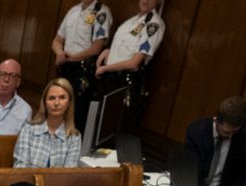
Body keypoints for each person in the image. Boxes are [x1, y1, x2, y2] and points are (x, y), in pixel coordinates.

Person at [93, 0, 165, 132]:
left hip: (126, 85)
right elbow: (124, 48)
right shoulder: (132, 21)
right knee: (99, 127)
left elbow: (134, 62)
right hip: (111, 81)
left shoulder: (153, 24)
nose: (145, 1)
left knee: (114, 130)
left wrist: (105, 68)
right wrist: (108, 50)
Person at [185, 95, 246, 186]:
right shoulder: (196, 131)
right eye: (227, 132)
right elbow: (191, 170)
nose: (230, 136)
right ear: (216, 121)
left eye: (235, 132)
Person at [51, 0, 110, 130]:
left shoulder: (101, 12)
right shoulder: (73, 11)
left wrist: (70, 57)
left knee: (77, 115)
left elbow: (96, 48)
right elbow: (57, 40)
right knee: (57, 109)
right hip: (64, 68)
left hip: (84, 72)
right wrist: (60, 53)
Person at [15, 78, 83, 168]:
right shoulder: (28, 130)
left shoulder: (74, 137)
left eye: (62, 97)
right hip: (28, 182)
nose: (56, 103)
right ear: (45, 103)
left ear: (69, 103)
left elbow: (68, 175)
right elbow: (20, 168)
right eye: (51, 98)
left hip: (59, 182)